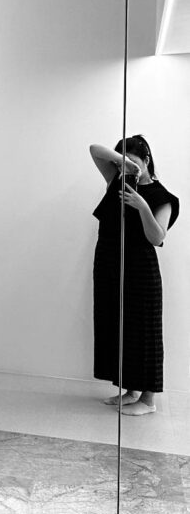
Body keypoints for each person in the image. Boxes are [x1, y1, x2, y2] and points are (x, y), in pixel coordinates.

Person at [90, 135, 179, 416]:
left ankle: (148, 400)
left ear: (147, 159)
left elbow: (157, 237)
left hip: (140, 269)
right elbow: (94, 150)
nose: (125, 167)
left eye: (133, 160)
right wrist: (123, 163)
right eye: (122, 162)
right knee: (117, 326)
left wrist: (142, 207)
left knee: (144, 331)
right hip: (109, 263)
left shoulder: (162, 197)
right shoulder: (118, 180)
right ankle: (130, 391)